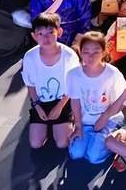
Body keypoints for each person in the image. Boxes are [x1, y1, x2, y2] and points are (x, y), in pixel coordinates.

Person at [67, 31, 126, 164]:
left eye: (96, 52)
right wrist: (78, 126)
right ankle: (92, 139)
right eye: (86, 52)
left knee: (94, 157)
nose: (91, 56)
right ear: (80, 52)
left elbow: (122, 102)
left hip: (108, 120)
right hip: (85, 121)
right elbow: (75, 102)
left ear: (104, 52)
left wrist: (105, 117)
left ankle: (116, 134)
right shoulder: (73, 74)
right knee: (76, 153)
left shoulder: (112, 73)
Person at [22, 13, 80, 149]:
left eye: (50, 32)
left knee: (62, 143)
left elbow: (73, 84)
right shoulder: (30, 56)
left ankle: (68, 121)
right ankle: (47, 127)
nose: (46, 38)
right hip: (40, 101)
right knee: (35, 144)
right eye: (40, 34)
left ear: (59, 32)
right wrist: (37, 106)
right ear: (34, 36)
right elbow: (30, 84)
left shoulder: (69, 55)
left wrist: (59, 107)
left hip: (63, 101)